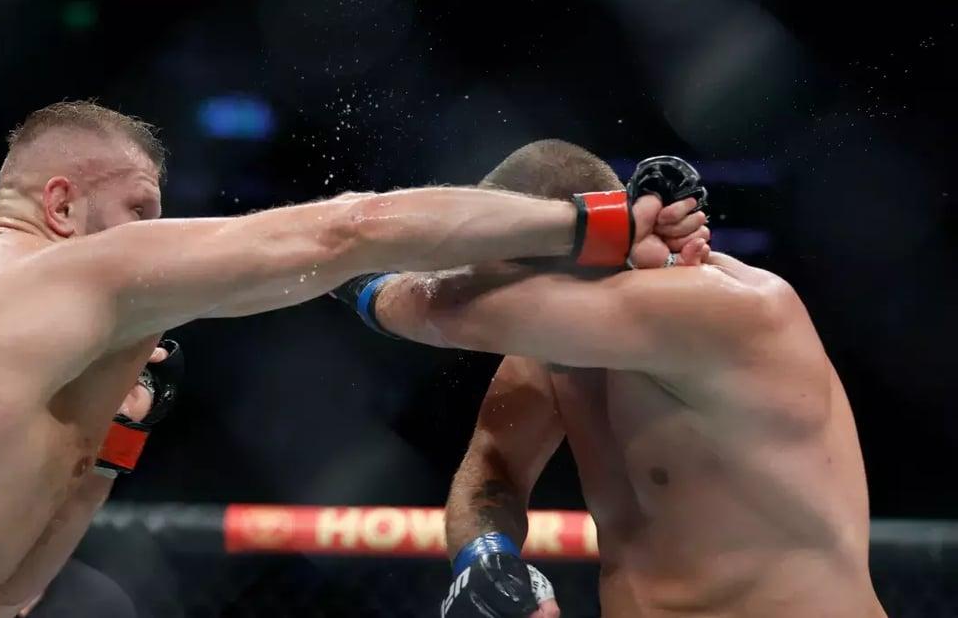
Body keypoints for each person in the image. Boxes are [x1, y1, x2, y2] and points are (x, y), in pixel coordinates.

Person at [0, 105, 705, 618]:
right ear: (62, 203)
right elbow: (344, 229)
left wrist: (107, 448)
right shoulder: (69, 275)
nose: (155, 231)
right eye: (139, 208)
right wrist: (591, 228)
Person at [337, 140, 885, 617]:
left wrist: (338, 259)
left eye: (507, 289)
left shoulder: (730, 312)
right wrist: (486, 557)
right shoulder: (553, 352)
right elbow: (493, 468)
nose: (497, 309)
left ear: (579, 244)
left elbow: (446, 310)